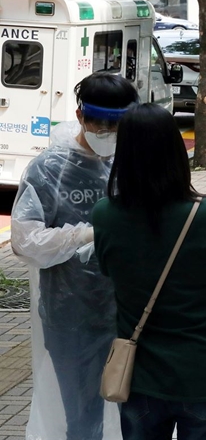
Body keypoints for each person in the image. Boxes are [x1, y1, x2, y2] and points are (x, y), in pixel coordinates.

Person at [93, 103, 206, 440]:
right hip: (204, 372)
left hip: (139, 377)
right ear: (176, 151)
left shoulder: (105, 215)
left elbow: (110, 274)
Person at [11, 72, 138, 440]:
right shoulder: (50, 170)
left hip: (131, 313)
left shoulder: (129, 164)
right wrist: (84, 234)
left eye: (118, 125)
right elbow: (25, 240)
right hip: (71, 317)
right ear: (81, 116)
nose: (109, 133)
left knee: (137, 412)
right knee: (83, 417)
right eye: (102, 124)